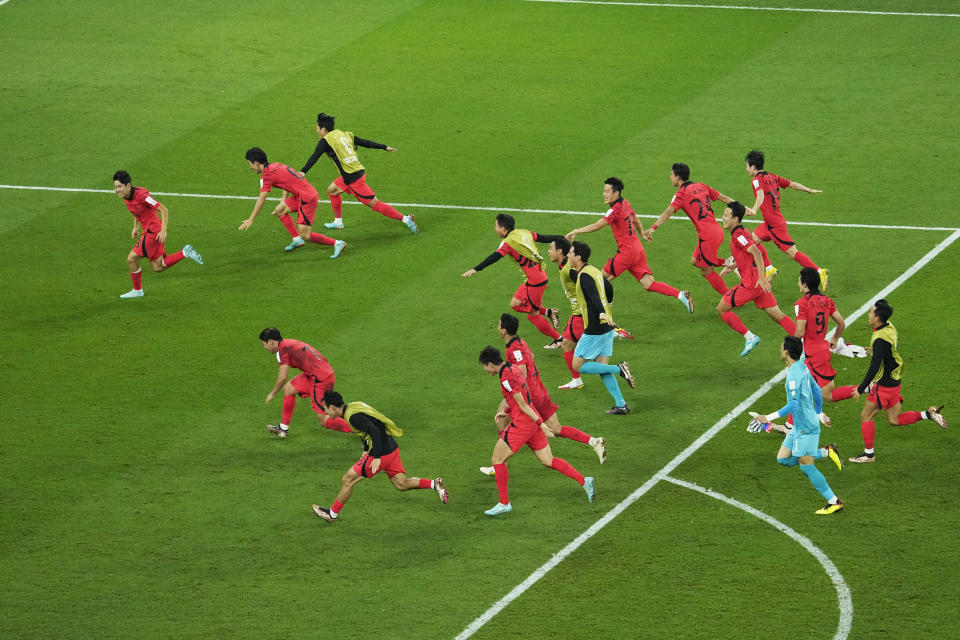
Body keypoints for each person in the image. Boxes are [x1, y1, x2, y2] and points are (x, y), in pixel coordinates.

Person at [478, 346, 595, 516]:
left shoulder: (505, 378)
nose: (485, 370)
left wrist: (540, 423)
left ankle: (504, 503)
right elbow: (525, 396)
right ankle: (584, 481)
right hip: (531, 421)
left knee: (497, 458)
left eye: (484, 367)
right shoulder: (514, 368)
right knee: (548, 460)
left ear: (490, 364)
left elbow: (523, 404)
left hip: (524, 424)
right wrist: (509, 411)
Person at [312, 391, 448, 523]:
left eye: (326, 409)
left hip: (381, 453)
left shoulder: (352, 417)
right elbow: (369, 428)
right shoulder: (353, 406)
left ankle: (332, 514)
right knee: (401, 484)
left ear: (333, 407)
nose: (326, 413)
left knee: (347, 480)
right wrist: (366, 449)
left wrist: (376, 457)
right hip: (391, 448)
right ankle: (433, 484)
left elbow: (374, 430)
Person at [566, 177, 693, 314]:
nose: (604, 194)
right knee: (648, 283)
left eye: (607, 191)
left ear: (616, 192)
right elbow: (636, 219)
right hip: (637, 250)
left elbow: (598, 225)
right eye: (604, 191)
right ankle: (681, 295)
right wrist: (642, 234)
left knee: (598, 282)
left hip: (626, 253)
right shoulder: (625, 203)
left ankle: (605, 323)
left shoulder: (615, 209)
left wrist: (576, 230)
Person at [493, 313, 606, 462]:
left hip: (530, 397)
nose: (498, 326)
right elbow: (531, 357)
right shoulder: (520, 342)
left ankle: (497, 464)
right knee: (556, 429)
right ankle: (594, 441)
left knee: (503, 421)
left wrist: (509, 400)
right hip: (540, 392)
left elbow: (522, 372)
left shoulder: (513, 349)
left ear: (504, 330)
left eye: (499, 324)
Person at [753, 336, 845, 515]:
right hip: (801, 425)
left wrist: (768, 418)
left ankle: (834, 501)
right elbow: (817, 390)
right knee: (783, 459)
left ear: (787, 352)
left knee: (807, 466)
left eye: (781, 347)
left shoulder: (794, 374)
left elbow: (793, 404)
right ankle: (826, 452)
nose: (780, 349)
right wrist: (819, 413)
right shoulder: (802, 366)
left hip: (806, 428)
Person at [847, 299, 947, 463]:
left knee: (866, 416)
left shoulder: (879, 339)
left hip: (884, 385)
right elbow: (888, 349)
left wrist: (861, 388)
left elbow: (874, 367)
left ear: (878, 317)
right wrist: (876, 351)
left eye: (871, 312)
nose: (868, 314)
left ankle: (868, 454)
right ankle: (928, 414)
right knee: (894, 420)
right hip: (894, 382)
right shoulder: (889, 326)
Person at [300, 112, 418, 234]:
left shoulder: (325, 141)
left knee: (375, 204)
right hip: (355, 173)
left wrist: (303, 171)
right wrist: (384, 147)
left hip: (353, 179)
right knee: (332, 190)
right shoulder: (343, 134)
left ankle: (406, 219)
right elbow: (364, 142)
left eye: (317, 128)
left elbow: (315, 156)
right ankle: (338, 222)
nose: (316, 130)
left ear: (323, 129)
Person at [461, 214, 563, 343]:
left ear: (503, 228)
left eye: (496, 226)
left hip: (535, 281)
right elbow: (544, 238)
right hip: (532, 278)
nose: (495, 228)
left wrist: (475, 269)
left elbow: (495, 256)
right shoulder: (524, 232)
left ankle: (559, 339)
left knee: (533, 316)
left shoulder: (508, 242)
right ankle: (549, 312)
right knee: (515, 304)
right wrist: (562, 238)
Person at [716, 202, 797, 357]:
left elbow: (756, 253)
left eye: (726, 215)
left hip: (751, 285)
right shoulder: (743, 231)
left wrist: (761, 277)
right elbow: (748, 253)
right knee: (777, 315)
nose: (723, 218)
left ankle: (750, 337)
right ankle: (805, 341)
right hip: (758, 283)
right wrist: (734, 266)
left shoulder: (738, 235)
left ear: (736, 218)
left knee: (721, 309)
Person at [566, 241, 635, 414]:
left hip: (595, 327)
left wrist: (602, 312)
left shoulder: (584, 276)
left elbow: (593, 296)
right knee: (601, 367)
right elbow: (609, 288)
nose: (568, 255)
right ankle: (621, 405)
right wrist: (608, 308)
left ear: (578, 257)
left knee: (577, 366)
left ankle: (619, 369)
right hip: (607, 327)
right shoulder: (594, 271)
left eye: (571, 253)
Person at [239, 148, 346, 258]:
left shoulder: (266, 176)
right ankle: (296, 240)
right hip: (302, 194)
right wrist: (283, 201)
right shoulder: (275, 166)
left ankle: (337, 243)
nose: (250, 167)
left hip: (307, 198)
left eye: (249, 164)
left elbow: (262, 199)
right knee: (279, 210)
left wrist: (251, 219)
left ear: (256, 163)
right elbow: (287, 181)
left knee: (305, 234)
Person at [644, 163, 734, 295]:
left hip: (708, 235)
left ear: (678, 177)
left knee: (706, 270)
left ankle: (730, 297)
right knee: (695, 260)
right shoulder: (701, 186)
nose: (670, 177)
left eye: (671, 174)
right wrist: (741, 207)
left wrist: (653, 228)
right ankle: (729, 262)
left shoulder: (681, 194)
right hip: (715, 230)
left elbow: (668, 211)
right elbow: (724, 198)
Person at [113, 170, 203, 298]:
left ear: (128, 185)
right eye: (115, 187)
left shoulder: (142, 195)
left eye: (119, 186)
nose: (117, 190)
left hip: (153, 231)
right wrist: (135, 227)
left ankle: (137, 290)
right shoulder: (127, 196)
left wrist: (163, 230)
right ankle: (185, 252)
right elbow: (137, 211)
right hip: (148, 230)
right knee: (157, 266)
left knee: (131, 259)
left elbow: (163, 209)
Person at [744, 150, 827, 287]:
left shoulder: (756, 181)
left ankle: (819, 271)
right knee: (752, 242)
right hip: (770, 223)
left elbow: (760, 195)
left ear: (753, 167)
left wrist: (754, 209)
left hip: (775, 225)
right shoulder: (773, 177)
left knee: (792, 253)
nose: (746, 169)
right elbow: (792, 184)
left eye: (747, 166)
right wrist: (809, 190)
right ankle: (770, 269)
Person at [258, 327, 349, 439]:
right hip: (316, 373)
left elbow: (283, 377)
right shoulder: (287, 343)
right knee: (288, 389)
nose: (264, 347)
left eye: (264, 344)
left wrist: (272, 393)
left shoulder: (283, 350)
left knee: (324, 419)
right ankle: (283, 428)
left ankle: (363, 430)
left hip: (320, 378)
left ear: (271, 342)